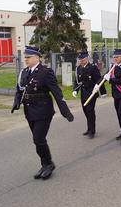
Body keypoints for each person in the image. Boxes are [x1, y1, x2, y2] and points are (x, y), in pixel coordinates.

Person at [11, 46, 74, 180]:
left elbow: (56, 92)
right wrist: (16, 103)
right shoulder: (24, 72)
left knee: (38, 138)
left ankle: (49, 164)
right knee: (37, 140)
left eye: (28, 57)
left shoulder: (46, 72)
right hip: (29, 111)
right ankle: (44, 164)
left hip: (43, 111)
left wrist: (65, 111)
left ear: (37, 57)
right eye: (25, 57)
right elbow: (20, 89)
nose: (26, 60)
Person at [103, 49, 121, 140]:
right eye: (114, 57)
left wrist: (110, 80)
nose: (115, 59)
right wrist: (97, 85)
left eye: (117, 57)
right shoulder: (113, 67)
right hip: (115, 94)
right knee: (118, 113)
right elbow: (105, 76)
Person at [73, 52, 102, 139]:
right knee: (85, 111)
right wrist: (75, 90)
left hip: (92, 93)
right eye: (80, 60)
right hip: (83, 93)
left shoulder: (93, 67)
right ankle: (89, 128)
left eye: (83, 60)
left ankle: (92, 131)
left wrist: (102, 91)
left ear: (87, 59)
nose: (81, 61)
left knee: (90, 111)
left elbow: (98, 79)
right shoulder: (79, 68)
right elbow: (77, 81)